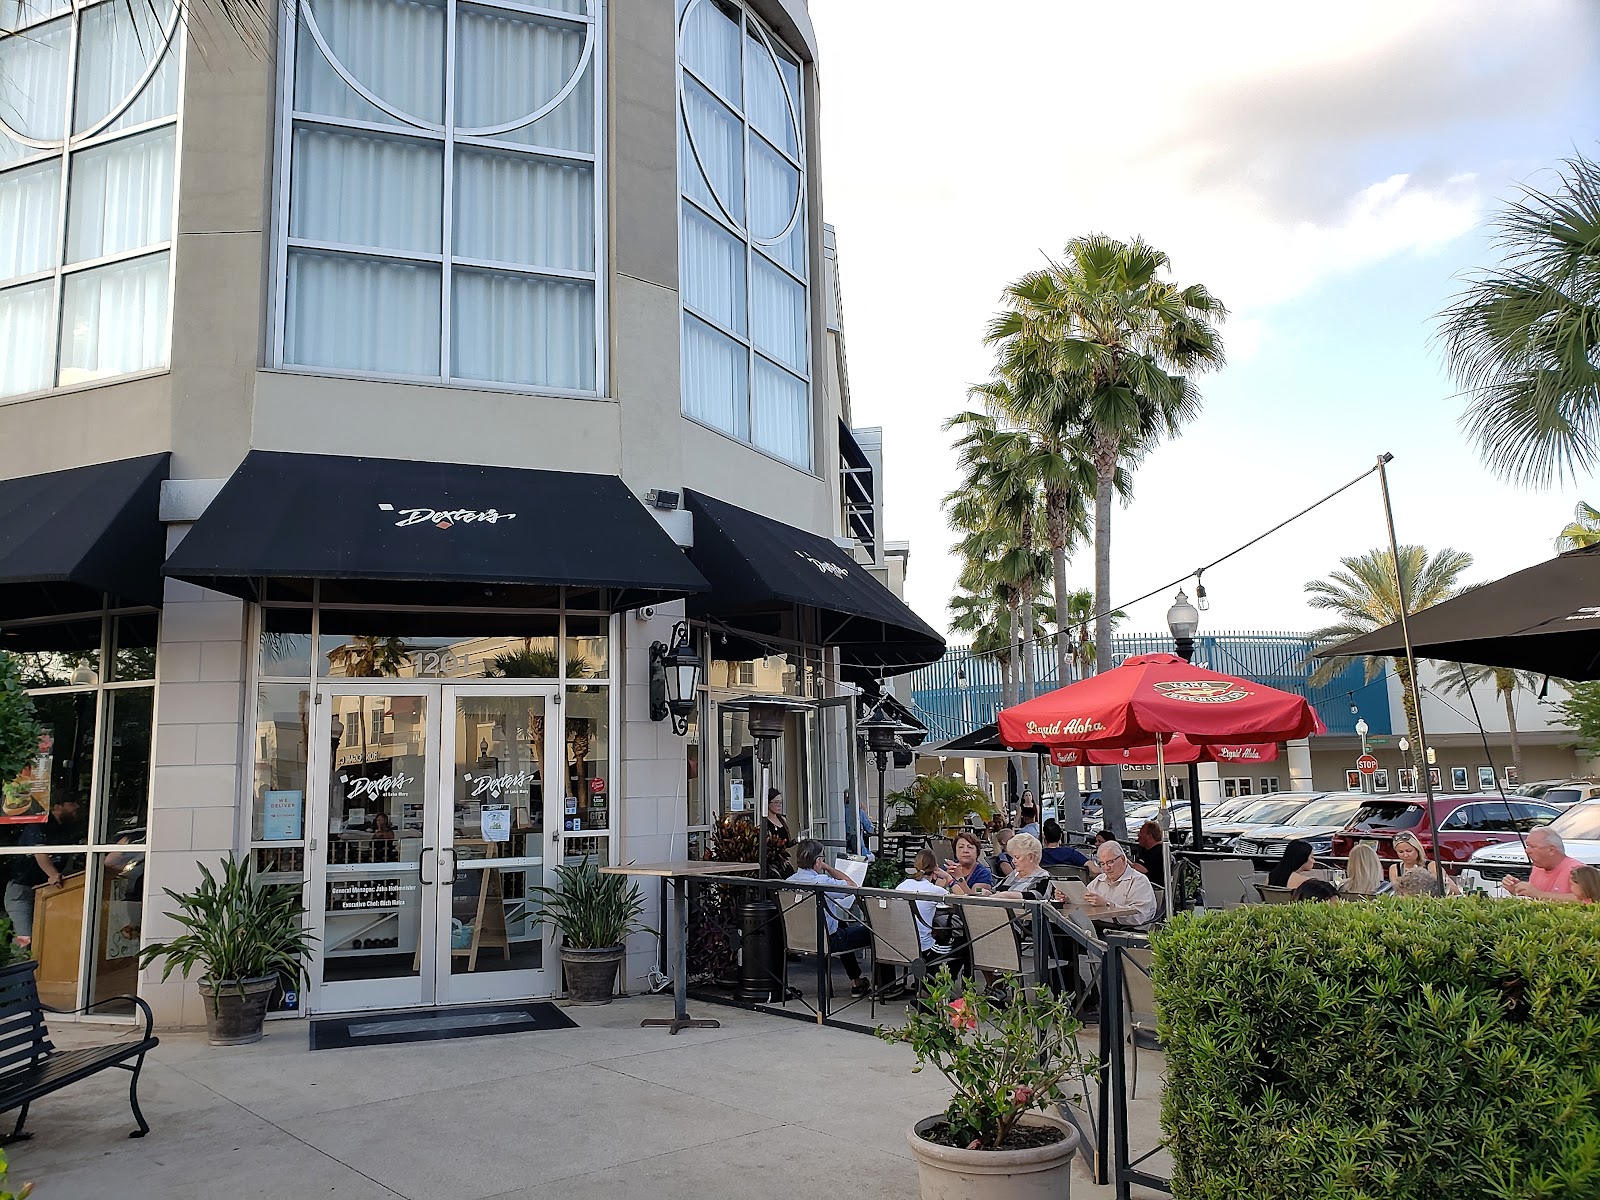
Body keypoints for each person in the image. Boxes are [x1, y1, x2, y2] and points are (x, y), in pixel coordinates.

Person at [786, 839, 872, 994]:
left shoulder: (788, 882)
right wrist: (828, 867)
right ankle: (884, 986)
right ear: (818, 861)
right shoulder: (822, 882)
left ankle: (856, 981)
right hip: (827, 941)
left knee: (841, 925)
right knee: (873, 932)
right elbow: (852, 886)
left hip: (798, 939)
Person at [3, 795, 83, 950]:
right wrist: (53, 874)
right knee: (26, 938)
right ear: (56, 806)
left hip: (48, 891)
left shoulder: (65, 830)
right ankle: (19, 962)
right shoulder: (39, 825)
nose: (77, 807)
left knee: (46, 937)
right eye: (71, 802)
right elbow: (40, 854)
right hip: (23, 891)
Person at [1084, 839, 1160, 927]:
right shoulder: (1099, 879)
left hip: (1126, 931)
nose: (1106, 868)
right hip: (1096, 927)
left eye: (1110, 862)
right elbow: (1084, 899)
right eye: (1102, 864)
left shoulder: (1138, 881)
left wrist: (1107, 905)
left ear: (1123, 859)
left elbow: (1139, 917)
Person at [897, 848, 954, 955]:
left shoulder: (902, 885)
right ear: (936, 868)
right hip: (923, 948)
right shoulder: (933, 890)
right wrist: (948, 877)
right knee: (960, 948)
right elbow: (962, 903)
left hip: (899, 948)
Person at [1502, 827, 1583, 901]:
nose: (1527, 851)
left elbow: (1586, 900)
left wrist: (1539, 894)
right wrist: (1517, 889)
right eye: (1527, 846)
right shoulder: (1538, 868)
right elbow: (1533, 897)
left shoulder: (1577, 870)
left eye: (1532, 846)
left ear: (1551, 850)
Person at [1389, 831, 1459, 897]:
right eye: (1401, 852)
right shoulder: (1394, 869)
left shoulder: (1431, 866)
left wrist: (1441, 881)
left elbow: (1455, 891)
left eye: (1409, 851)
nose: (1405, 855)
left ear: (1417, 849)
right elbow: (1397, 893)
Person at [1130, 821, 1166, 888]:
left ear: (1149, 836)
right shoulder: (1162, 849)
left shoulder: (1156, 853)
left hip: (1151, 888)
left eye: (1141, 832)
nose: (1138, 835)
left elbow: (1141, 870)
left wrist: (1124, 861)